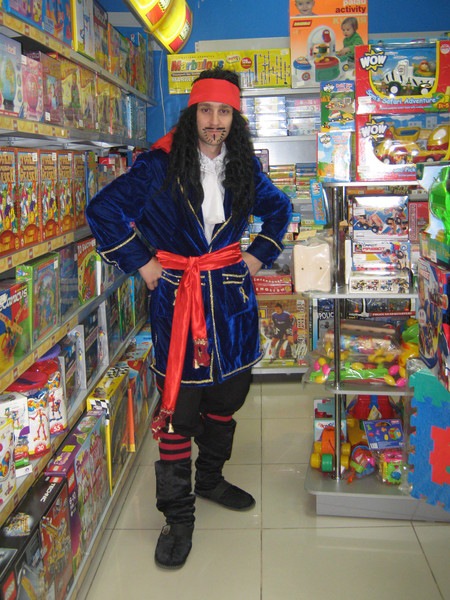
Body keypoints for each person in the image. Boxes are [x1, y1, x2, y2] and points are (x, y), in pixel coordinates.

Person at [85, 68, 292, 569]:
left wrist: (256, 256)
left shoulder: (244, 166)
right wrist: (144, 264)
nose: (215, 121)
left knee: (228, 398)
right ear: (192, 113)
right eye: (206, 110)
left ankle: (212, 480)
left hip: (233, 307)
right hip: (178, 302)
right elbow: (103, 210)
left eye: (224, 112)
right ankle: (178, 517)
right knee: (177, 412)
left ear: (235, 118)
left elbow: (280, 209)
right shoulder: (158, 166)